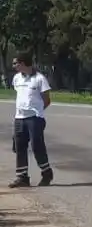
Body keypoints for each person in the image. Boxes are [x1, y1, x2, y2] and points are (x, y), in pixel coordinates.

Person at [10, 55, 53, 187]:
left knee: (37, 146)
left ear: (23, 63)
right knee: (19, 147)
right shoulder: (17, 78)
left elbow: (47, 100)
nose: (13, 66)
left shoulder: (39, 79)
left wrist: (37, 111)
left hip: (35, 118)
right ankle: (22, 177)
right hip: (19, 118)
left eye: (15, 63)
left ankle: (46, 173)